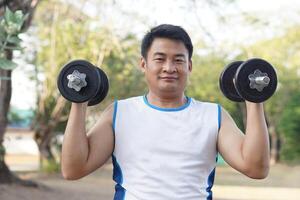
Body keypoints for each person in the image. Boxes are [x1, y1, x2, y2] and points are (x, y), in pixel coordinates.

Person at [61, 24, 270, 200]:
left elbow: (256, 168)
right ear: (144, 64)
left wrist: (253, 99)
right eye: (160, 59)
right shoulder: (119, 113)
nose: (169, 67)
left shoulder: (213, 116)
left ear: (189, 66)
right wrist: (79, 102)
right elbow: (73, 169)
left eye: (178, 60)